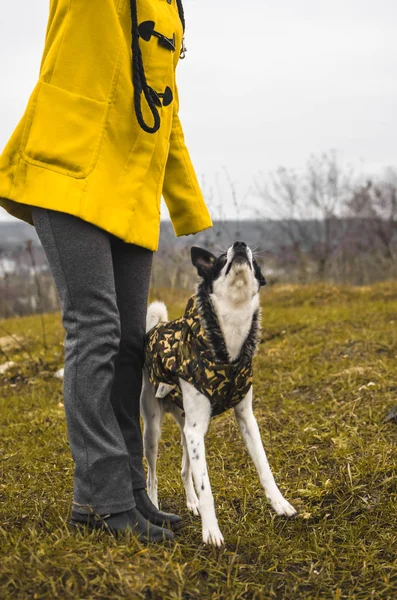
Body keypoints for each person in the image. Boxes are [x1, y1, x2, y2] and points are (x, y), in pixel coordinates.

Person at [0, 0, 212, 542]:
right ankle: (98, 500)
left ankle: (130, 490)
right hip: (70, 170)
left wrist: (188, 207)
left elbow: (166, 109)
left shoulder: (170, 7)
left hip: (129, 189)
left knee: (129, 342)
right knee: (94, 330)